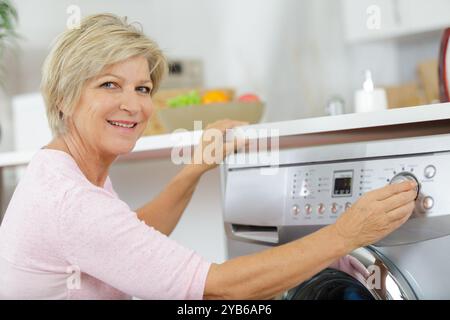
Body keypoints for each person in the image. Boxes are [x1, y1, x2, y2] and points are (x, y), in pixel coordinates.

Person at [0, 13, 417, 300]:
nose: (133, 105)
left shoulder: (64, 172)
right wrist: (347, 234)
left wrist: (193, 170)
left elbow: (128, 238)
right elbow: (216, 288)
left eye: (142, 89)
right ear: (63, 98)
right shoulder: (70, 201)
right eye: (109, 85)